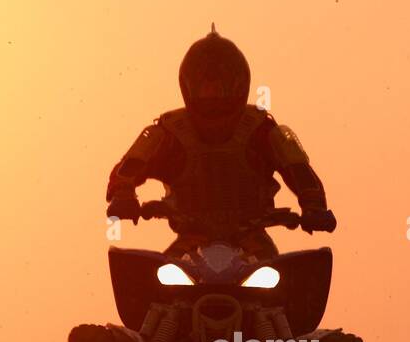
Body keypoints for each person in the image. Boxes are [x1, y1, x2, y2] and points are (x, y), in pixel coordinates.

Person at [105, 25, 337, 259]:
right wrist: (123, 195)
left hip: (252, 242)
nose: (213, 96)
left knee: (290, 283)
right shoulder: (169, 134)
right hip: (191, 244)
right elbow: (129, 168)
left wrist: (313, 206)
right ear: (188, 86)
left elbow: (299, 171)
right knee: (149, 281)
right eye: (204, 88)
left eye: (220, 87)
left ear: (239, 84)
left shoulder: (261, 130)